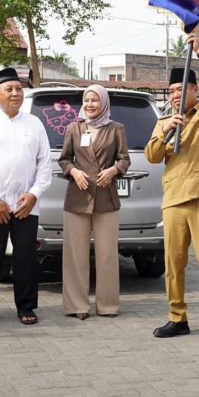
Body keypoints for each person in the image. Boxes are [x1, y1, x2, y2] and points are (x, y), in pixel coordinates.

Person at [144, 30, 199, 340]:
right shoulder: (165, 120)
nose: (175, 96)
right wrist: (165, 130)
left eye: (181, 89)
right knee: (173, 263)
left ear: (195, 90)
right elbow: (152, 156)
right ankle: (177, 317)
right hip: (175, 199)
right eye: (171, 91)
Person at [0, 67, 52, 325]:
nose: (15, 93)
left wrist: (34, 194)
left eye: (18, 88)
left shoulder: (34, 123)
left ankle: (26, 306)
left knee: (25, 257)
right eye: (9, 89)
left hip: (25, 205)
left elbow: (45, 163)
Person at [58, 84, 130, 319]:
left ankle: (108, 306)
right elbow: (64, 159)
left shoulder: (116, 128)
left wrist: (113, 171)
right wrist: (74, 172)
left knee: (107, 254)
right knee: (75, 255)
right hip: (78, 198)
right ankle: (77, 305)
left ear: (104, 103)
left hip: (106, 198)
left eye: (95, 100)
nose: (90, 104)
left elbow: (124, 159)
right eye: (87, 100)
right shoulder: (73, 128)